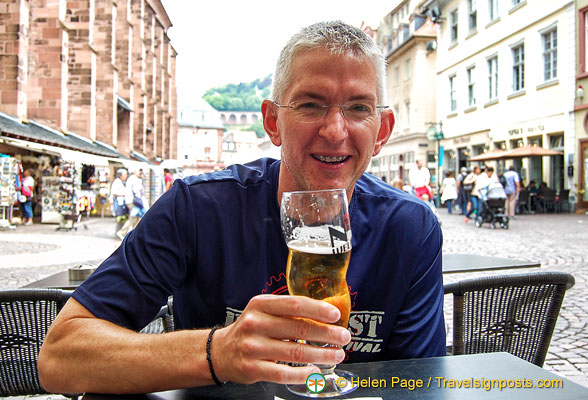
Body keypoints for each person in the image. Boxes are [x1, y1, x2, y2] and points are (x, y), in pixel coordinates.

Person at [39, 21, 445, 394]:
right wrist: (218, 352)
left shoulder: (410, 227)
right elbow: (59, 357)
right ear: (272, 122)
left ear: (382, 131)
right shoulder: (198, 208)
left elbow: (418, 383)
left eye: (358, 107)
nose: (335, 130)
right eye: (310, 104)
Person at [115, 168, 147, 240]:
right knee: (133, 218)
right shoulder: (134, 179)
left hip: (131, 201)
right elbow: (137, 190)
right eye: (139, 171)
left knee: (136, 218)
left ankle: (134, 235)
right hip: (133, 201)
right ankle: (122, 232)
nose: (140, 173)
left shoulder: (131, 179)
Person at [109, 168, 129, 235]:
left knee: (122, 218)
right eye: (125, 174)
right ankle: (118, 232)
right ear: (121, 175)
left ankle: (120, 232)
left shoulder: (121, 182)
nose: (126, 176)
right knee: (120, 218)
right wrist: (123, 195)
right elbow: (114, 192)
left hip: (122, 202)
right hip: (119, 202)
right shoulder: (117, 182)